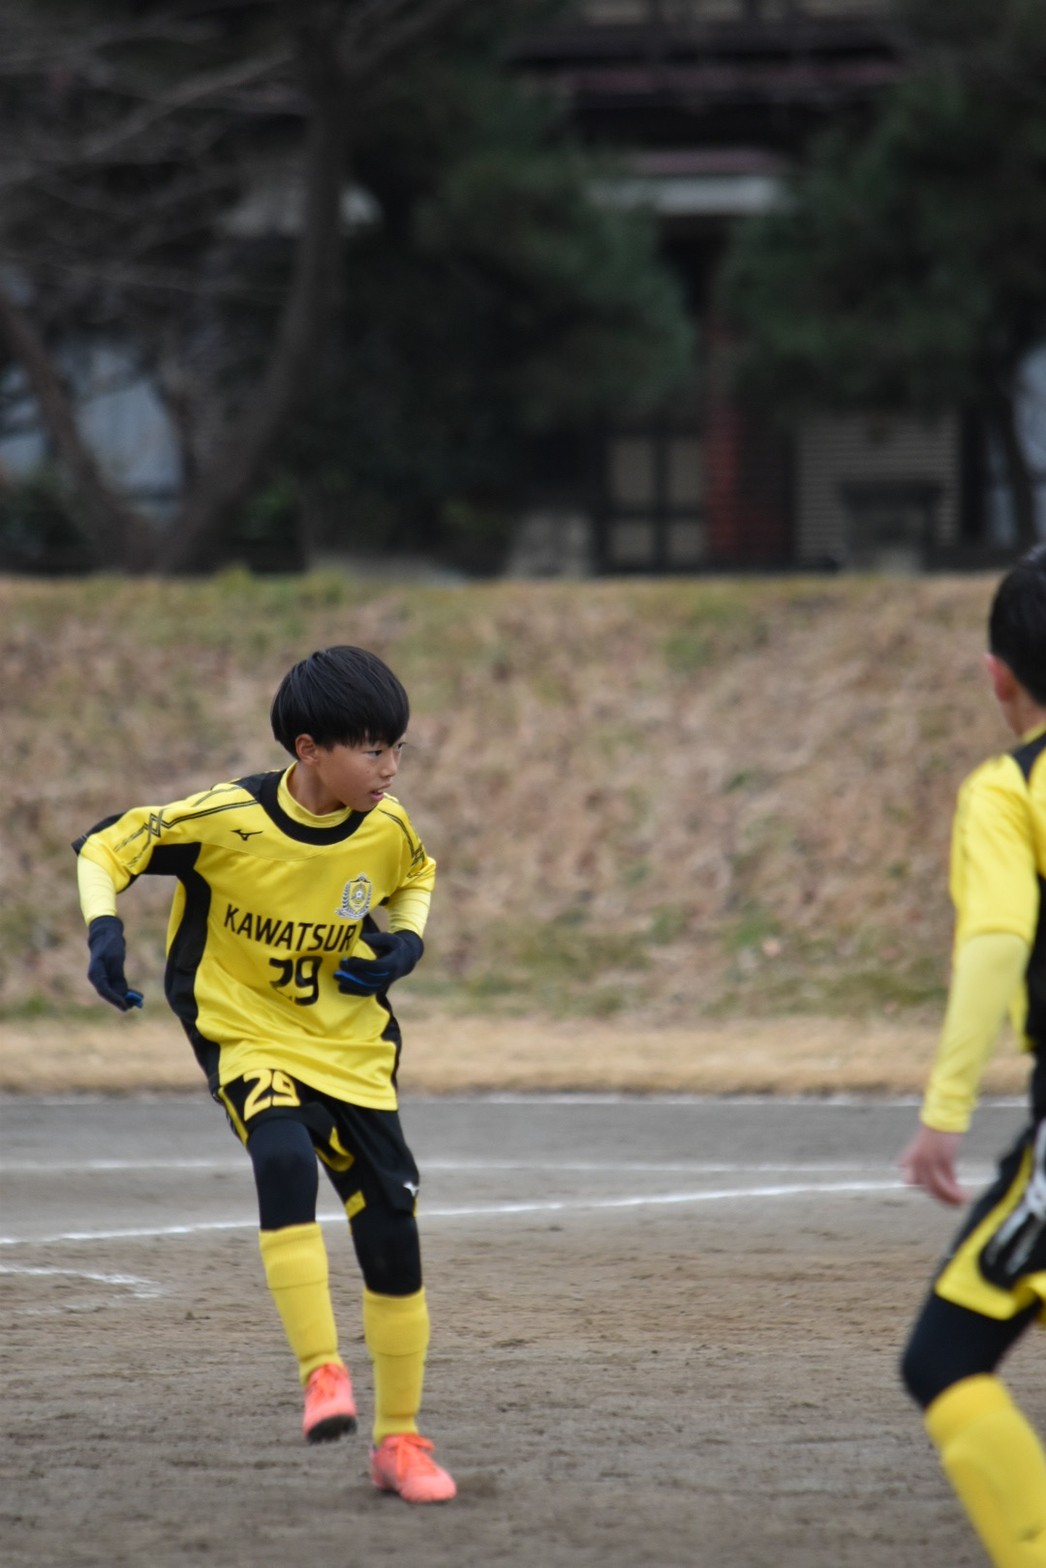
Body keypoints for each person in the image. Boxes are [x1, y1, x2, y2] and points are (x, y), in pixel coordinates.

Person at [73, 644, 456, 1505]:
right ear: (309, 748)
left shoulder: (386, 828)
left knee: (393, 1232)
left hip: (353, 1051)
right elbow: (107, 847)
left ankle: (401, 1442)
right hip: (247, 1033)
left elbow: (417, 878)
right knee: (282, 1159)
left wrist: (405, 943)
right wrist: (104, 927)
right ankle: (323, 1374)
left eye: (398, 748)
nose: (389, 768)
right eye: (370, 749)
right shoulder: (226, 820)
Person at [899, 544, 1046, 1565]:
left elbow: (995, 936)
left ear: (998, 675)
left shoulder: (1008, 786)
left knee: (943, 1355)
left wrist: (944, 1105)